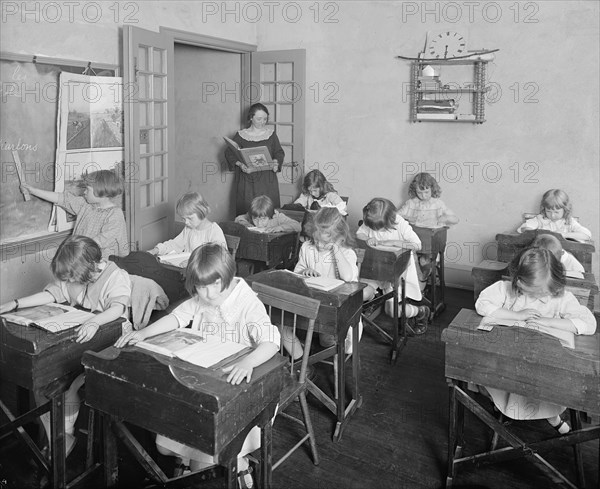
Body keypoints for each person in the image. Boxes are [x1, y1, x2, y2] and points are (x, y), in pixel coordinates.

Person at [115, 243, 280, 487]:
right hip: (204, 382)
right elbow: (177, 317)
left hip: (238, 389)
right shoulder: (202, 298)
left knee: (206, 450)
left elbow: (271, 342)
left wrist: (248, 362)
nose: (210, 294)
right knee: (170, 433)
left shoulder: (246, 302)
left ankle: (236, 465)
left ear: (227, 277)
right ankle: (190, 460)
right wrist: (143, 334)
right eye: (202, 288)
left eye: (215, 286)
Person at [0, 235, 131, 455]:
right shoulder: (76, 273)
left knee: (66, 384)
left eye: (72, 278)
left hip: (111, 341)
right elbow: (50, 294)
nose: (69, 283)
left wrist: (94, 321)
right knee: (44, 380)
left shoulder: (116, 276)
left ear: (92, 266)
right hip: (77, 338)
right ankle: (61, 438)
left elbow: (117, 308)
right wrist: (14, 303)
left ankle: (63, 436)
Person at [475, 248, 596, 433]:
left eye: (541, 293)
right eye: (530, 292)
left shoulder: (561, 298)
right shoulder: (505, 289)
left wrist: (548, 321)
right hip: (507, 362)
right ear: (518, 280)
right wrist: (516, 315)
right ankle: (501, 404)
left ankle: (552, 417)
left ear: (555, 285)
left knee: (542, 385)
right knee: (488, 372)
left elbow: (589, 323)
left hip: (543, 368)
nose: (536, 298)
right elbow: (482, 304)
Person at [284, 207, 360, 358]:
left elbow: (348, 277)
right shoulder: (307, 247)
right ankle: (300, 360)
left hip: (334, 309)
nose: (319, 245)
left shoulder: (346, 253)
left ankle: (345, 337)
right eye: (316, 239)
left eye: (325, 242)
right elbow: (297, 271)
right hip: (309, 302)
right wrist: (303, 272)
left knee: (327, 341)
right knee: (280, 321)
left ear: (340, 238)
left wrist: (336, 249)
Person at [356, 198, 430, 334]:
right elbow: (359, 234)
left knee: (391, 311)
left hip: (397, 272)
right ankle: (373, 300)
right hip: (374, 268)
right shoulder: (371, 220)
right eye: (373, 228)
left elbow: (417, 244)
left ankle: (420, 311)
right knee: (360, 294)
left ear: (390, 220)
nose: (375, 230)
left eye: (379, 228)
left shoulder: (400, 223)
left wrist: (393, 242)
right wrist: (367, 238)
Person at [22, 169, 129, 259]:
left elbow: (99, 241)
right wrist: (32, 191)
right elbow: (61, 198)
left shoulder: (114, 214)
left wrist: (72, 252)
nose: (84, 192)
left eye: (88, 189)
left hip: (101, 264)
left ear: (101, 191)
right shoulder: (85, 205)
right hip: (80, 259)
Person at [224, 103, 284, 216]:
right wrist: (240, 165)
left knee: (268, 212)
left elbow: (279, 152)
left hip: (267, 180)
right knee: (247, 213)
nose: (262, 122)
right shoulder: (241, 135)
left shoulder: (271, 135)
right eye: (259, 119)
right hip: (247, 181)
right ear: (251, 118)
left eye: (265, 119)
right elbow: (229, 153)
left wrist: (276, 162)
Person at [398, 172, 458, 282]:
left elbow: (455, 219)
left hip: (430, 240)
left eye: (426, 192)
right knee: (406, 254)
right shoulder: (411, 203)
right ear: (414, 191)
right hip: (414, 240)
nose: (423, 196)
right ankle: (414, 280)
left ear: (432, 189)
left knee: (424, 258)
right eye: (419, 193)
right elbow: (396, 216)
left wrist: (445, 218)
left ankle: (422, 273)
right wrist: (406, 217)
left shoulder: (438, 204)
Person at [148, 192, 226, 256]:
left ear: (201, 212)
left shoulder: (214, 231)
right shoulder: (189, 229)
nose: (186, 222)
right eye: (183, 219)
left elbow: (219, 258)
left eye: (190, 218)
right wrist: (157, 250)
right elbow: (175, 244)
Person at [517, 189, 592, 242]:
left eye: (556, 212)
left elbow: (587, 235)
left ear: (565, 209)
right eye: (548, 211)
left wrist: (564, 235)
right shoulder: (540, 219)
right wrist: (539, 233)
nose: (552, 215)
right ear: (544, 209)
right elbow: (523, 228)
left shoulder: (568, 221)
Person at [235, 195, 301, 233]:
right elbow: (238, 219)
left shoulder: (277, 217)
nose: (259, 223)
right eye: (255, 219)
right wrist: (246, 224)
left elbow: (298, 226)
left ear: (270, 215)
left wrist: (280, 227)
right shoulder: (253, 214)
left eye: (263, 219)